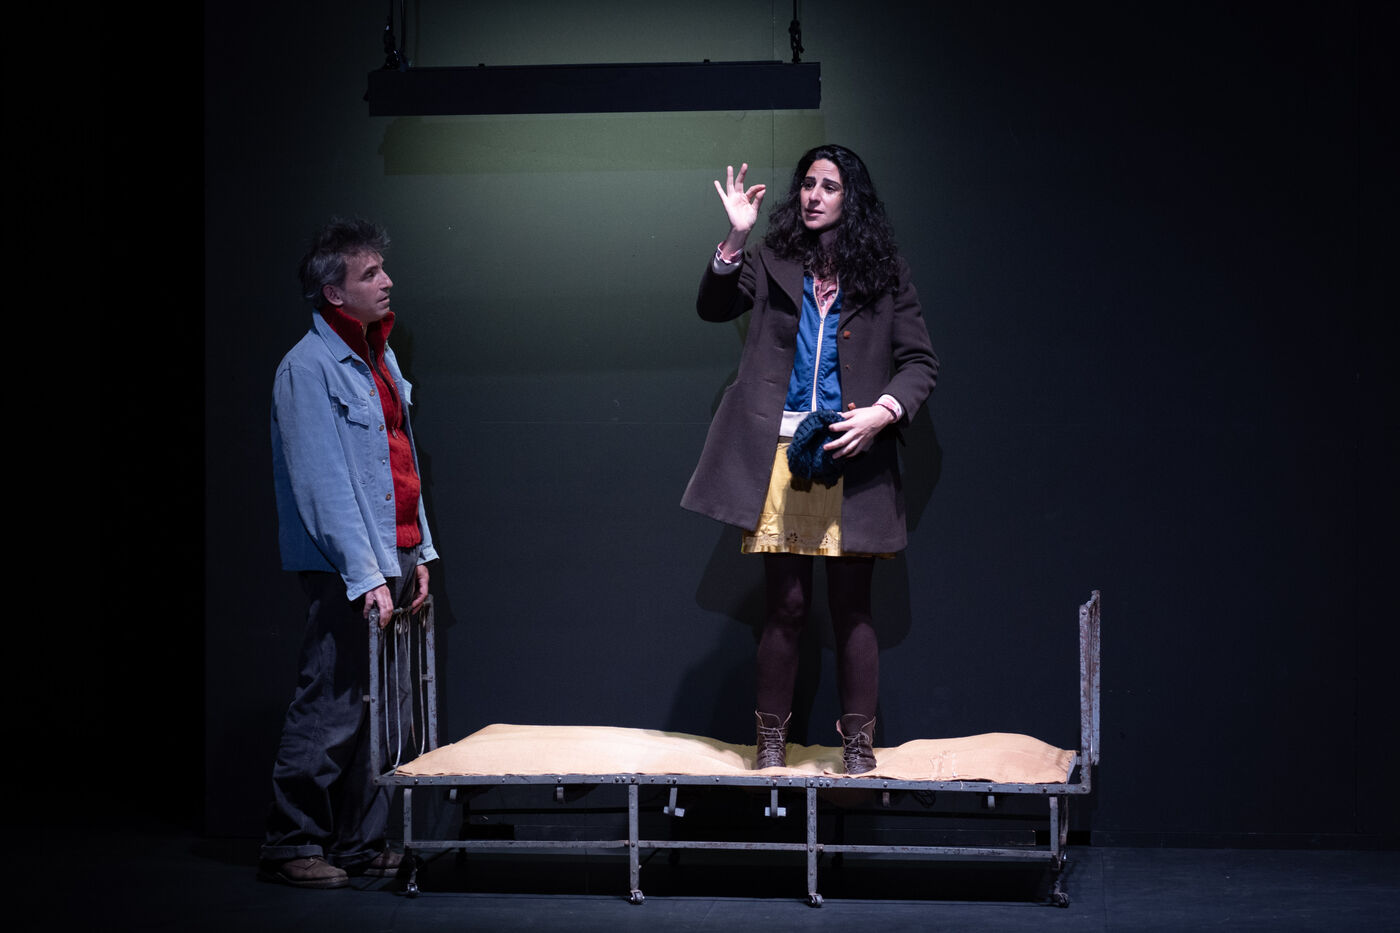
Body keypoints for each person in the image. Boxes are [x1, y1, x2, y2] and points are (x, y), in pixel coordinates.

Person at [682, 146, 938, 775]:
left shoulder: (886, 272)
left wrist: (882, 413)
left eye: (829, 186)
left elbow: (920, 363)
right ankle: (770, 742)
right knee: (787, 606)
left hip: (853, 452)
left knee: (852, 607)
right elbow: (713, 307)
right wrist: (736, 238)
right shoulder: (773, 257)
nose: (813, 195)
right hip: (782, 452)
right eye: (807, 184)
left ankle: (858, 747)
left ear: (853, 198)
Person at [259, 218, 438, 888]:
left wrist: (420, 551)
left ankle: (360, 844)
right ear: (335, 293)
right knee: (332, 702)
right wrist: (364, 574)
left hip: (392, 555)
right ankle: (290, 843)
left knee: (384, 706)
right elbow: (322, 484)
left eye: (381, 268)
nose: (387, 280)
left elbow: (400, 463)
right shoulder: (306, 369)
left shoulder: (377, 357)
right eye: (370, 273)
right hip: (348, 564)